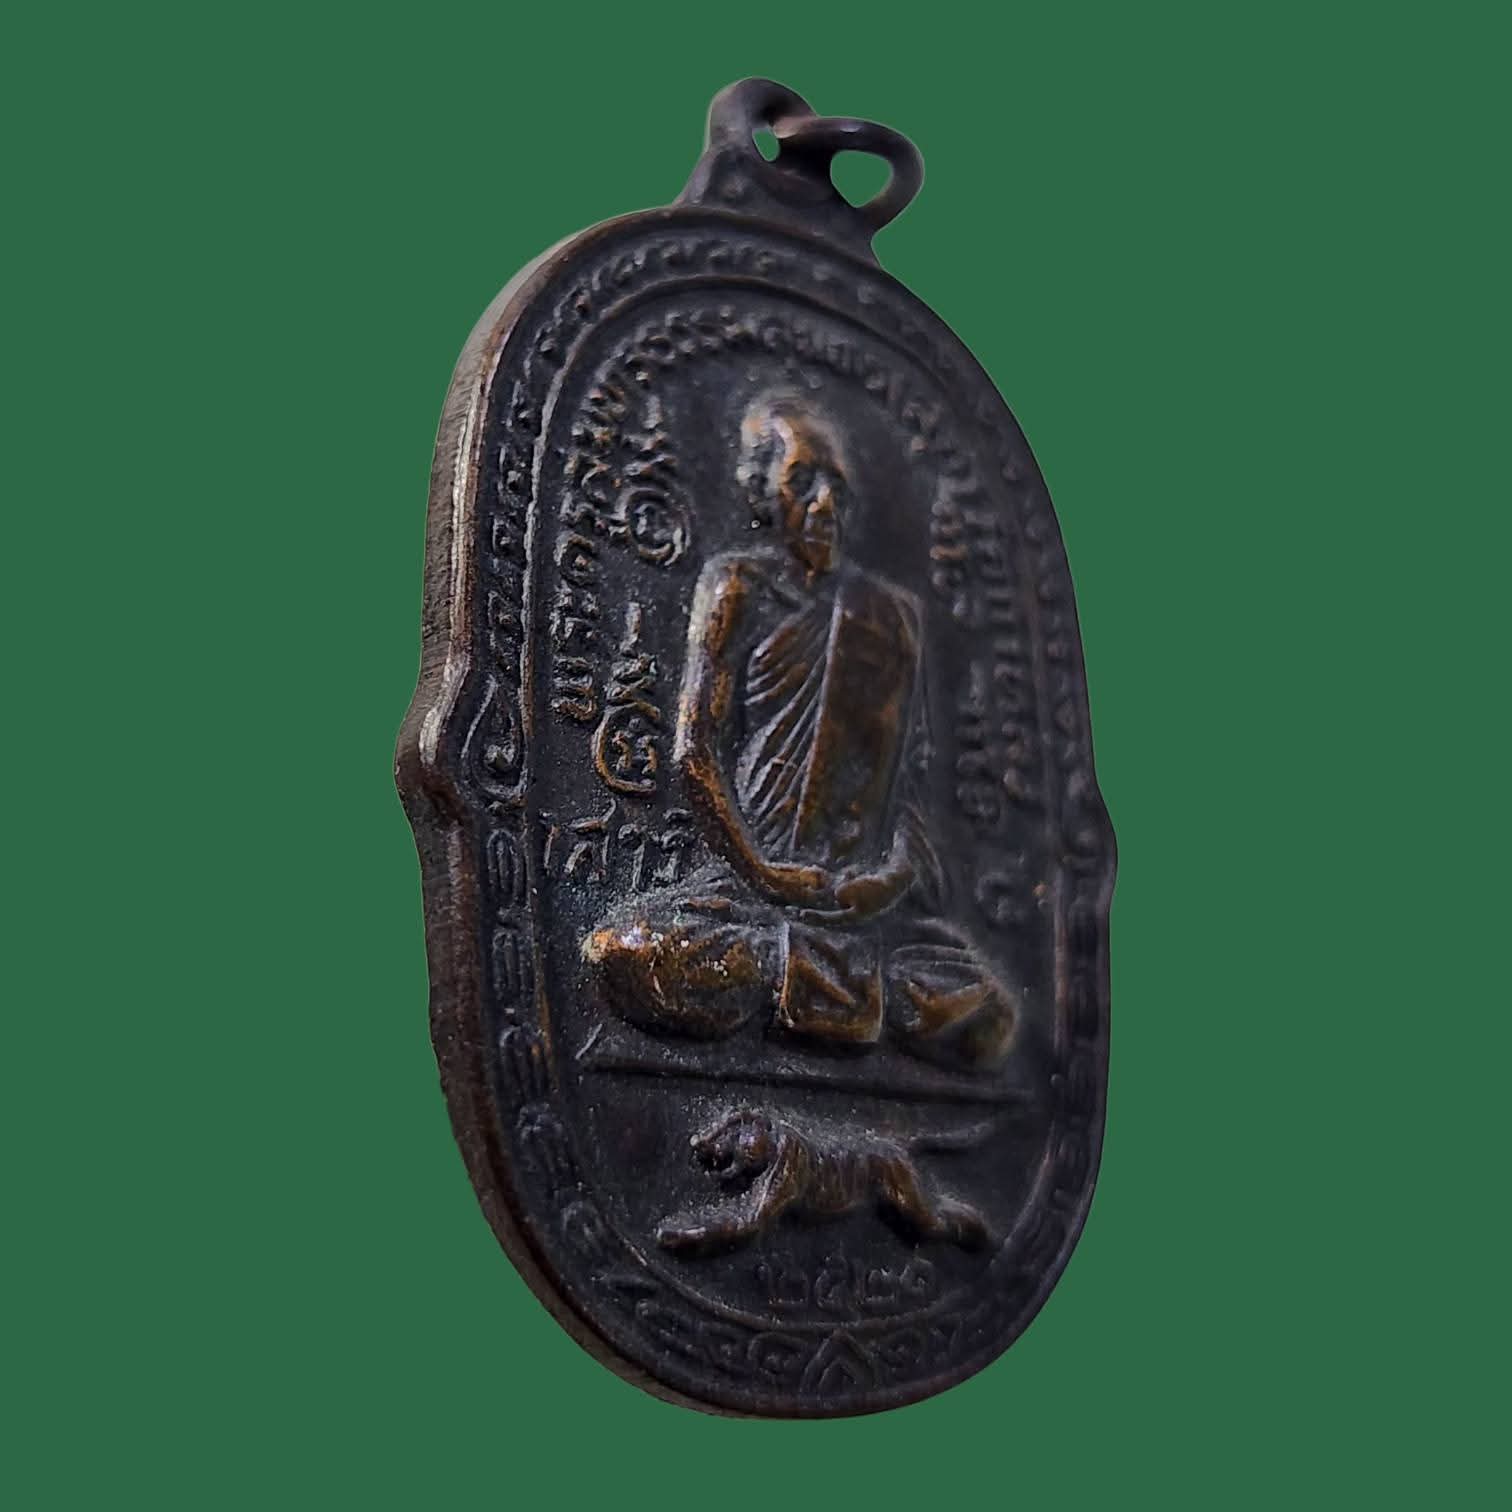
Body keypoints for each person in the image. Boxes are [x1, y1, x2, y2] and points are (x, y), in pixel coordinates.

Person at [583, 396, 1018, 1071]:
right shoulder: (738, 587)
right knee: (630, 954)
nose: (823, 506)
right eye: (802, 483)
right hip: (750, 891)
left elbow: (912, 788)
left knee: (990, 1014)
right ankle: (844, 992)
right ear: (764, 494)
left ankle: (811, 983)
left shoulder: (892, 617)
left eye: (836, 488)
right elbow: (696, 754)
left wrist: (885, 882)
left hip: (862, 906)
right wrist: (764, 872)